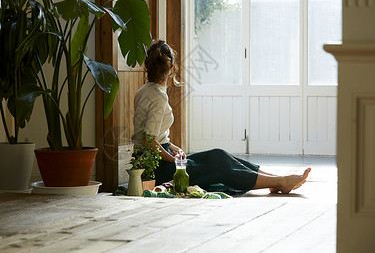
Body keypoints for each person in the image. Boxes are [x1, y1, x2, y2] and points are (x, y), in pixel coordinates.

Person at [132, 40, 311, 196]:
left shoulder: (144, 91)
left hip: (158, 157)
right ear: (172, 69)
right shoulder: (158, 96)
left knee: (218, 155)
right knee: (220, 167)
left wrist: (173, 148)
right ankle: (279, 182)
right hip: (158, 168)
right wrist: (173, 159)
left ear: (147, 67)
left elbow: (151, 135)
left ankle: (277, 180)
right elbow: (148, 140)